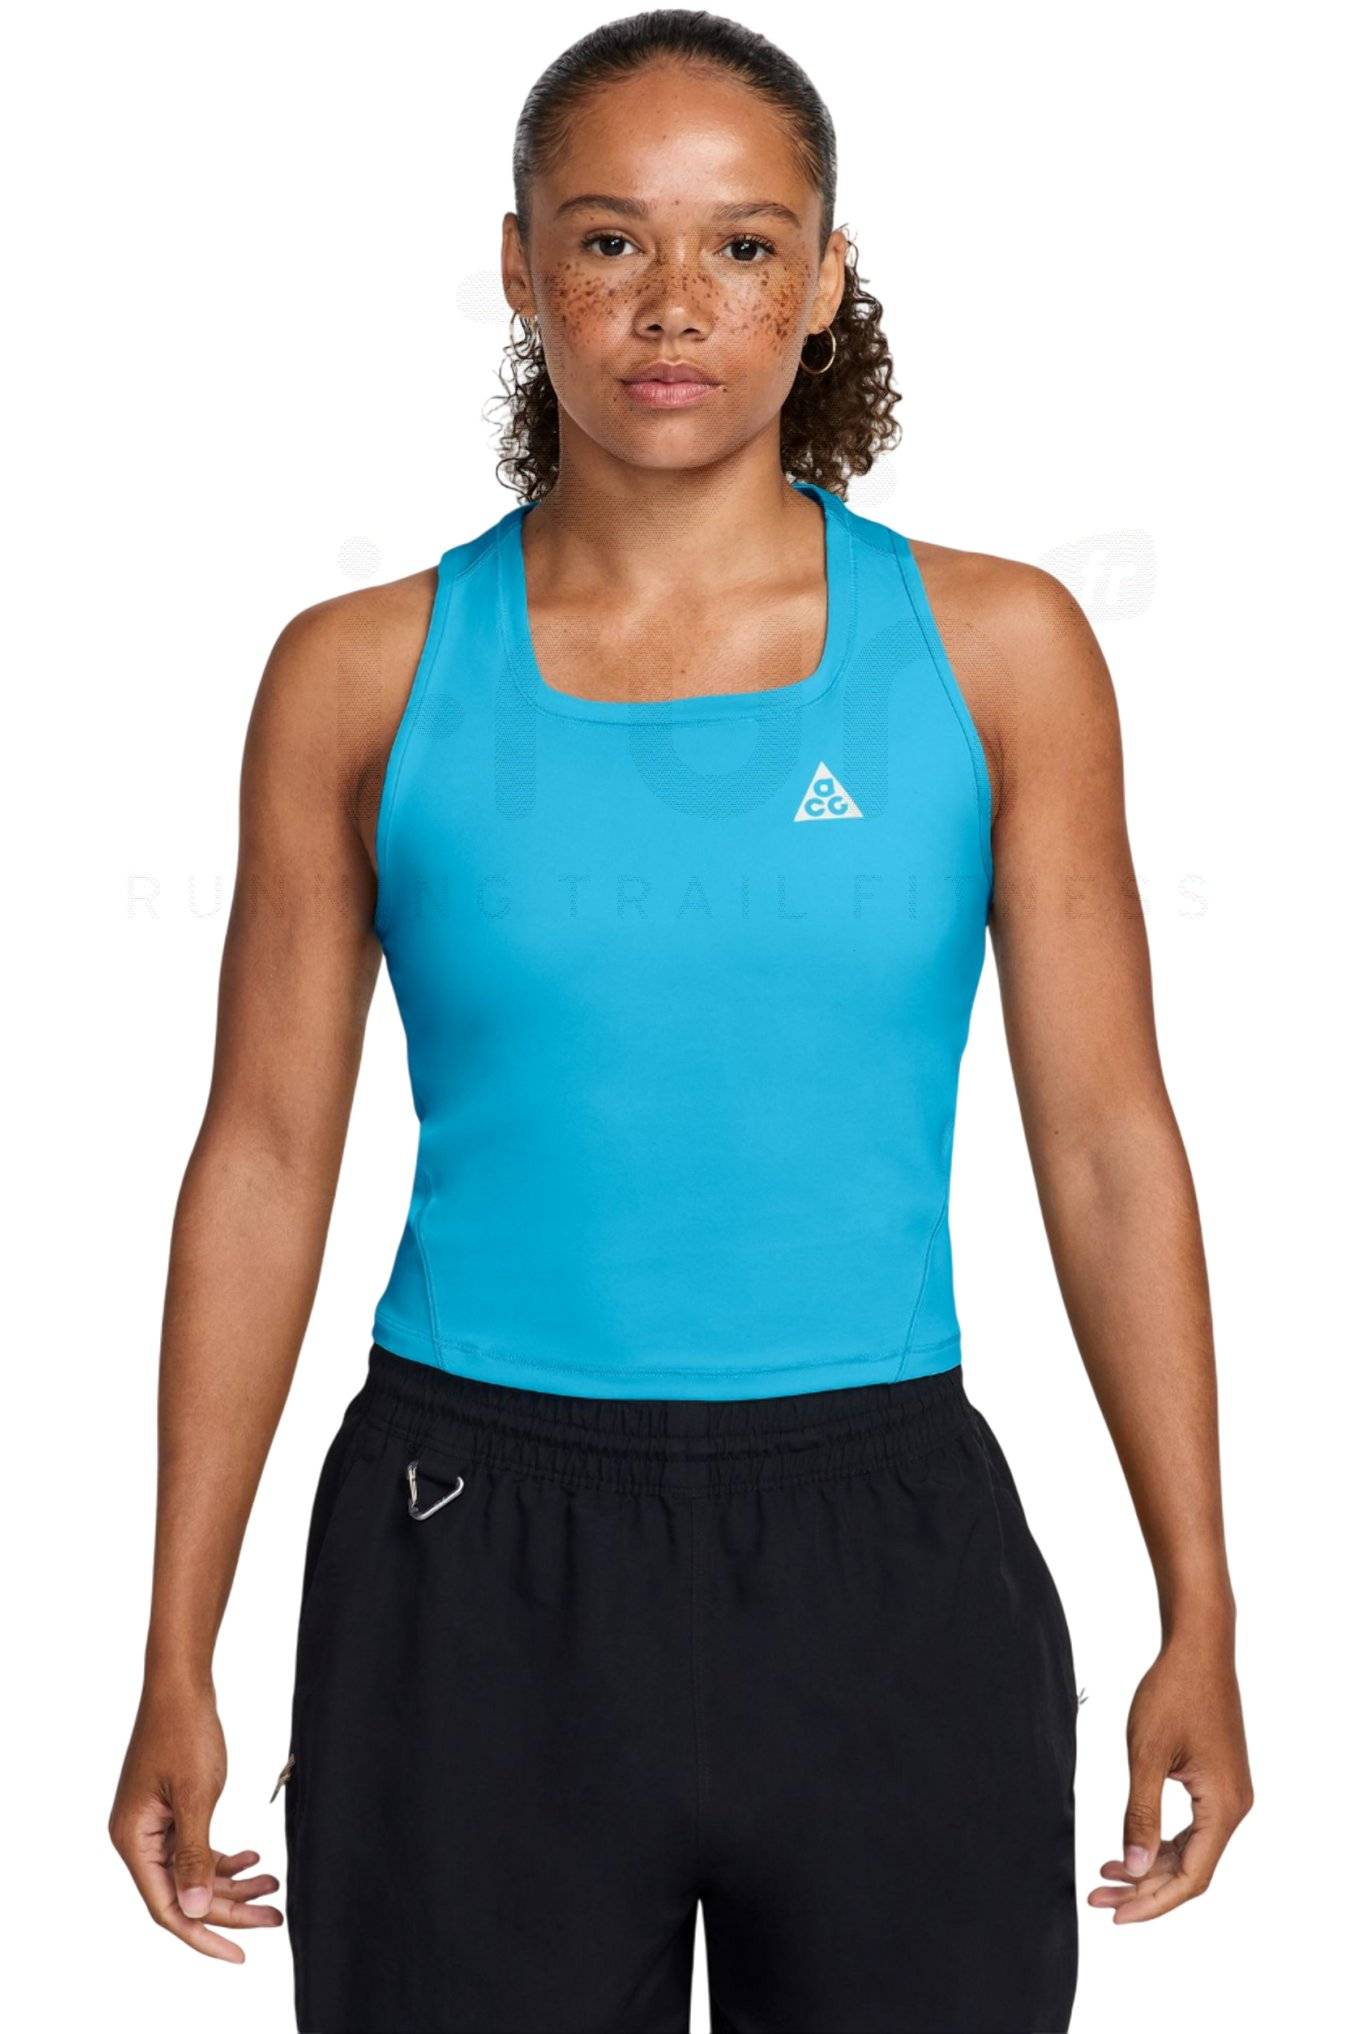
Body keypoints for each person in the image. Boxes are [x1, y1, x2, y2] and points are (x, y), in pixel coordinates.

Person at [108, 12, 1253, 2031]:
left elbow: (1105, 1144)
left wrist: (1203, 1602)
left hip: (884, 1548)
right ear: (520, 264)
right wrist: (173, 1647)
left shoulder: (999, 651)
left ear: (822, 279)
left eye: (741, 245)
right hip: (469, 1554)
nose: (672, 304)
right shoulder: (360, 677)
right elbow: (266, 1159)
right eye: (609, 239)